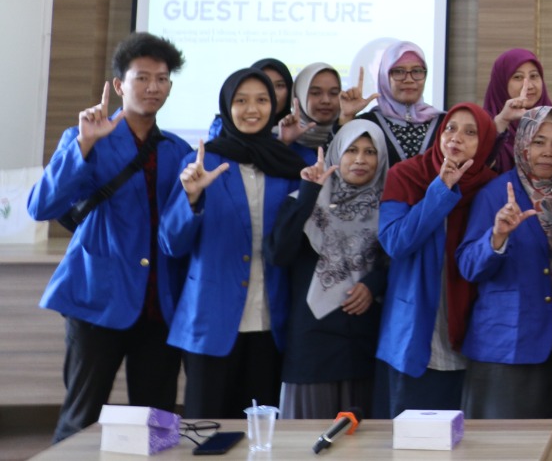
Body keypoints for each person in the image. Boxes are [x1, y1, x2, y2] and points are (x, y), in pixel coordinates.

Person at [27, 33, 192, 442]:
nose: (153, 87)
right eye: (142, 78)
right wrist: (84, 145)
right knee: (80, 417)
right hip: (97, 298)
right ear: (119, 84)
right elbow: (40, 206)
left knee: (157, 422)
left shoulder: (178, 150)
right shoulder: (86, 137)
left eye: (162, 79)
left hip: (159, 304)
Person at [160, 67, 306, 418]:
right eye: (241, 101)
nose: (251, 109)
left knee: (260, 432)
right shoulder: (201, 162)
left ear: (273, 107)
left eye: (261, 100)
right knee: (206, 428)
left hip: (270, 321)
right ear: (227, 106)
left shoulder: (287, 166)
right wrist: (191, 198)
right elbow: (171, 244)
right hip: (210, 320)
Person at [376, 102, 497, 414]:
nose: (456, 137)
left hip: (471, 333)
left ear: (484, 143)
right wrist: (441, 189)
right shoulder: (406, 175)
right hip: (414, 329)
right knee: (413, 433)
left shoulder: (490, 187)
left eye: (470, 132)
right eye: (450, 128)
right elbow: (395, 243)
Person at [267, 119, 390, 419]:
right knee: (307, 437)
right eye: (351, 150)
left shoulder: (389, 207)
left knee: (361, 437)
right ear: (337, 153)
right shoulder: (303, 200)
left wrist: (373, 284)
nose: (360, 160)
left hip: (362, 339)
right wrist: (309, 193)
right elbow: (279, 254)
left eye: (370, 152)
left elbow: (396, 261)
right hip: (312, 342)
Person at [457, 105, 552, 430]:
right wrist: (497, 237)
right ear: (522, 144)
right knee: (504, 445)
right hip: (506, 344)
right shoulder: (496, 194)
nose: (548, 152)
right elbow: (468, 266)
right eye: (538, 142)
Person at [361, 42, 443, 163]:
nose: (409, 79)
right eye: (399, 72)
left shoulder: (445, 123)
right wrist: (346, 117)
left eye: (417, 71)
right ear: (384, 76)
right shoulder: (367, 123)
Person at [482, 47, 552, 174]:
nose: (529, 86)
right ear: (501, 83)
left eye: (534, 76)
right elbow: (479, 165)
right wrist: (501, 122)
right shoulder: (480, 127)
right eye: (518, 77)